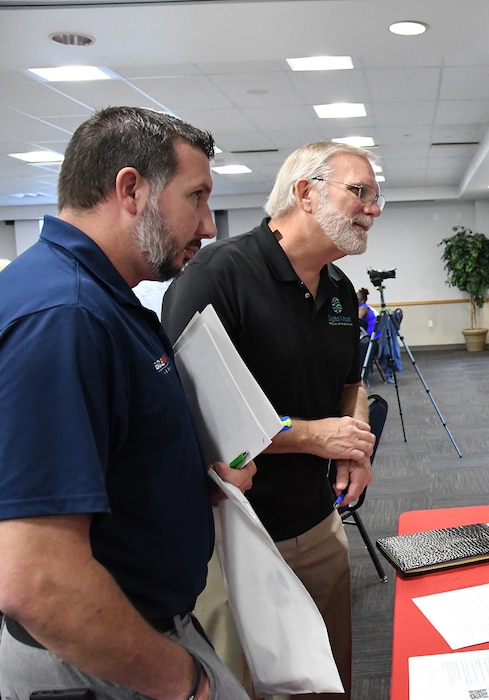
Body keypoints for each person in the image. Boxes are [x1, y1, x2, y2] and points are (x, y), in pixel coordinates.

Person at [0, 106, 255, 699]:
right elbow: (36, 578)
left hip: (135, 631)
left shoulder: (97, 298)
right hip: (100, 654)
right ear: (131, 189)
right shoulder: (65, 317)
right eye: (196, 197)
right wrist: (184, 683)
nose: (210, 225)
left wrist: (193, 487)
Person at [162, 141, 380, 700]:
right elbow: (202, 415)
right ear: (306, 193)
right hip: (235, 537)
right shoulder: (217, 277)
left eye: (378, 198)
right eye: (360, 192)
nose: (373, 209)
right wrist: (314, 436)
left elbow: (350, 385)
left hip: (317, 524)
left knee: (329, 679)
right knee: (249, 684)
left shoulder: (337, 291)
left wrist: (354, 444)